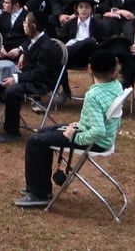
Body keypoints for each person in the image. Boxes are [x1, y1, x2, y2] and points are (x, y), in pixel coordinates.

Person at [14, 49, 124, 208]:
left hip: (96, 141)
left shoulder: (93, 96)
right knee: (43, 132)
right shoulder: (116, 86)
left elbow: (98, 130)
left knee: (35, 141)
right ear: (114, 71)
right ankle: (38, 185)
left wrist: (75, 137)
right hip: (102, 136)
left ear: (89, 68)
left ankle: (39, 193)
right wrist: (79, 125)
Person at [0, 11, 61, 142]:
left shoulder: (46, 47)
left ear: (33, 26)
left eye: (26, 22)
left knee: (12, 90)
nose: (23, 25)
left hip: (40, 82)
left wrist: (16, 79)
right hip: (28, 76)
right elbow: (28, 46)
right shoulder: (33, 40)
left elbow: (40, 74)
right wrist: (23, 53)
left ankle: (12, 132)